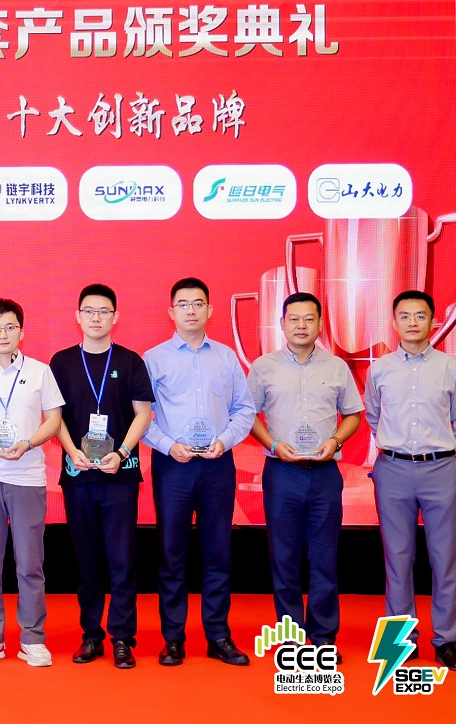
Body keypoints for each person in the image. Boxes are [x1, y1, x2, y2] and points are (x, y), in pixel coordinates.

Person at [142, 277, 255, 666]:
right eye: (183, 304)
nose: (191, 310)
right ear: (171, 312)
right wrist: (166, 444)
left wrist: (225, 440)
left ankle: (218, 635)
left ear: (210, 310)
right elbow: (141, 416)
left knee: (218, 550)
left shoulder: (226, 357)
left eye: (198, 303)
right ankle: (173, 638)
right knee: (171, 551)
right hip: (173, 465)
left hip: (217, 465)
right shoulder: (154, 358)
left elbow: (245, 409)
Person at [247, 292, 362, 661]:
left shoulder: (337, 367)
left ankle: (324, 637)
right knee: (284, 557)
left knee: (324, 557)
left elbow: (353, 415)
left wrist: (336, 440)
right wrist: (273, 443)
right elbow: (247, 416)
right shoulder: (263, 367)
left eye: (309, 319)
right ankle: (292, 637)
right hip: (282, 473)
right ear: (282, 324)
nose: (301, 325)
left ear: (320, 324)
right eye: (294, 319)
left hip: (325, 473)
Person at [365, 290, 456, 671]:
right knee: (398, 558)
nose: (413, 322)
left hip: (440, 470)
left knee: (446, 559)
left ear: (433, 321)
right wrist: (398, 448)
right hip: (392, 470)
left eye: (420, 315)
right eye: (405, 316)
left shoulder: (452, 368)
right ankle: (401, 642)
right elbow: (373, 417)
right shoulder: (379, 369)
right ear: (394, 322)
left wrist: (438, 452)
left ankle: (446, 641)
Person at [50, 284, 153, 669]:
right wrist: (71, 451)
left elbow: (143, 414)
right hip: (78, 476)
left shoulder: (130, 361)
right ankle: (91, 636)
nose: (96, 317)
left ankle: (123, 637)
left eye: (103, 311)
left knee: (122, 561)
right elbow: (54, 417)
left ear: (115, 317)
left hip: (120, 476)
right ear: (77, 316)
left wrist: (122, 452)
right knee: (87, 562)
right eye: (89, 311)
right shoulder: (61, 362)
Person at [0, 298, 63, 667]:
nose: (3, 334)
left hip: (28, 476)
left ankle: (32, 638)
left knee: (30, 563)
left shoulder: (40, 372)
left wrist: (28, 443)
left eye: (10, 327)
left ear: (21, 331)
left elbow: (54, 420)